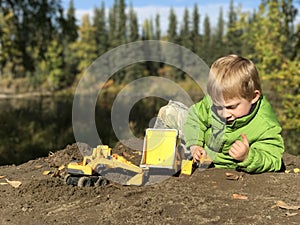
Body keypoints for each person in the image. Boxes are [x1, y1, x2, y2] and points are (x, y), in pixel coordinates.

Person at [183, 54, 284, 173]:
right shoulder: (212, 102)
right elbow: (196, 118)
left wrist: (247, 156)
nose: (225, 114)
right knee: (175, 120)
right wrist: (195, 145)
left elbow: (273, 159)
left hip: (230, 171)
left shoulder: (265, 125)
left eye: (231, 107)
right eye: (218, 106)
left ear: (253, 97)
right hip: (207, 156)